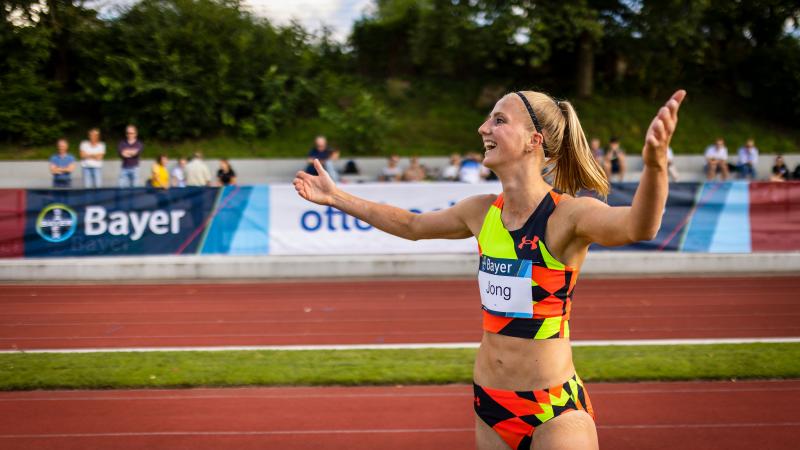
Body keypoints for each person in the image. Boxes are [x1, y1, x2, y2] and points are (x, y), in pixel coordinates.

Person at [294, 89, 686, 450]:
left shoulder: (567, 216)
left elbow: (640, 226)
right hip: (490, 405)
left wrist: (654, 166)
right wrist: (336, 197)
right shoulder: (481, 212)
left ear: (535, 140)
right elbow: (411, 226)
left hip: (552, 409)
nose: (483, 128)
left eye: (499, 120)